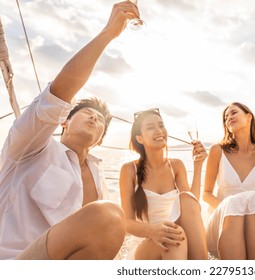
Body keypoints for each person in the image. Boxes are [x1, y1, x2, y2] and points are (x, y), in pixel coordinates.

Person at [0, 1, 140, 260]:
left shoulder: (97, 175)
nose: (94, 120)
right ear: (64, 121)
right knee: (108, 215)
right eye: (87, 113)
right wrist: (109, 32)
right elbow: (60, 93)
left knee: (109, 218)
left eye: (100, 121)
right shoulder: (30, 146)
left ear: (100, 140)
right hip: (13, 262)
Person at [202, 37, 255, 259]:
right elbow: (205, 194)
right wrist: (234, 205)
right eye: (225, 116)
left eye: (234, 112)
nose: (228, 117)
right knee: (246, 200)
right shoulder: (217, 151)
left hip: (253, 224)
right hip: (221, 222)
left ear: (249, 117)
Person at [118, 108, 208, 260]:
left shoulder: (176, 166)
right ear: (139, 138)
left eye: (161, 125)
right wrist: (153, 231)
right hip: (146, 244)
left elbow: (191, 209)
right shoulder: (129, 170)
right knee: (172, 236)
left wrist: (198, 166)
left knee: (184, 204)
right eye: (151, 127)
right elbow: (127, 223)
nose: (159, 131)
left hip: (176, 235)